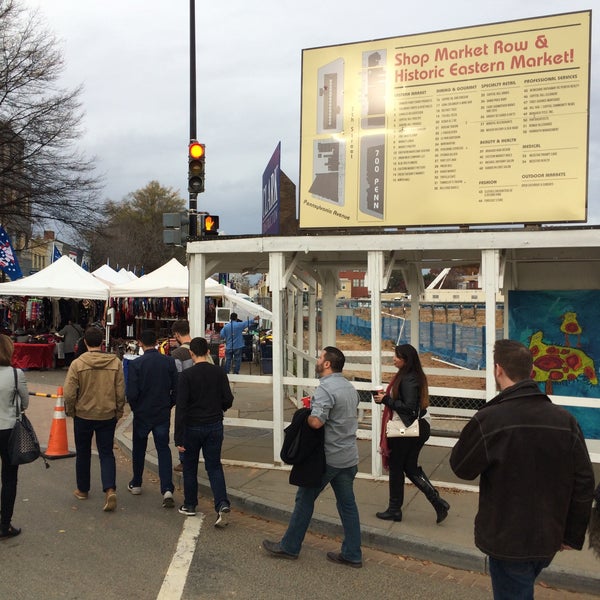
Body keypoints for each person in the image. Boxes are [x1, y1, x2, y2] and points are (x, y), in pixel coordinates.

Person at [450, 339, 595, 599]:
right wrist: (571, 535)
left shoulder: (490, 418)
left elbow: (461, 467)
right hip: (549, 538)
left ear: (498, 370)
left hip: (508, 540)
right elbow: (584, 481)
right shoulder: (565, 420)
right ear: (531, 371)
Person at [262, 346, 363, 568]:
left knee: (304, 499)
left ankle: (289, 547)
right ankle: (353, 553)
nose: (317, 360)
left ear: (327, 364)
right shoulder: (349, 387)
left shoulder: (326, 388)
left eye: (320, 357)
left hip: (328, 458)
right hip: (348, 456)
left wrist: (305, 415)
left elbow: (317, 422)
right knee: (347, 505)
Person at [373, 344, 450, 524]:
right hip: (414, 429)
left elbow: (409, 409)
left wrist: (386, 400)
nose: (393, 358)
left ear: (406, 360)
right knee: (409, 468)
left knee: (398, 467)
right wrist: (387, 399)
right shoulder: (410, 376)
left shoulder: (408, 379)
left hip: (408, 430)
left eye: (397, 356)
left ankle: (395, 509)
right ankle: (438, 503)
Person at [64, 326, 125, 512]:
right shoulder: (115, 363)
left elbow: (69, 393)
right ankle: (110, 488)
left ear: (84, 342)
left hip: (83, 414)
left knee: (83, 452)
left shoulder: (77, 364)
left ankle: (83, 489)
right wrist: (119, 411)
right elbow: (121, 391)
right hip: (107, 414)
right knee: (106, 452)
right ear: (102, 343)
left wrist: (71, 410)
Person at [175, 337, 234, 527]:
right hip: (214, 424)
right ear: (208, 352)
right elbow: (228, 399)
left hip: (192, 426)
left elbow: (181, 408)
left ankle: (190, 504)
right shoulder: (219, 372)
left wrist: (178, 436)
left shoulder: (186, 376)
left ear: (191, 354)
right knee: (214, 466)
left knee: (190, 466)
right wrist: (219, 408)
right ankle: (222, 503)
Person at [126, 329, 178, 508]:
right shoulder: (169, 362)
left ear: (140, 343)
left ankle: (137, 482)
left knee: (139, 448)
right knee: (163, 449)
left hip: (142, 412)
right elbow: (176, 388)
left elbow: (131, 393)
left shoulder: (136, 364)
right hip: (161, 411)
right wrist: (169, 404)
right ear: (157, 342)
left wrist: (136, 408)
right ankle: (167, 488)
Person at [0, 335, 28, 539]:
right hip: (9, 428)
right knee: (9, 478)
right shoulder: (16, 374)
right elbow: (25, 403)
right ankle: (4, 524)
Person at [171, 320, 193, 472]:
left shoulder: (177, 353)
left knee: (182, 429)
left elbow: (177, 377)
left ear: (177, 334)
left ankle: (184, 460)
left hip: (184, 397)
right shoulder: (199, 347)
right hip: (201, 395)